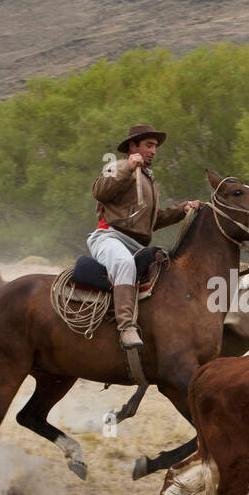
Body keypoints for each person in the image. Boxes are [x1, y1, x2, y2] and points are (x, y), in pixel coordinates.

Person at [89, 124, 200, 349]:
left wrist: (182, 209)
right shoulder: (115, 166)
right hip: (110, 238)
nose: (154, 151)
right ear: (132, 146)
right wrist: (128, 167)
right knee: (123, 263)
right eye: (149, 145)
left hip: (137, 244)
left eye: (155, 147)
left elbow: (153, 221)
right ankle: (126, 327)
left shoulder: (149, 180)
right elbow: (100, 191)